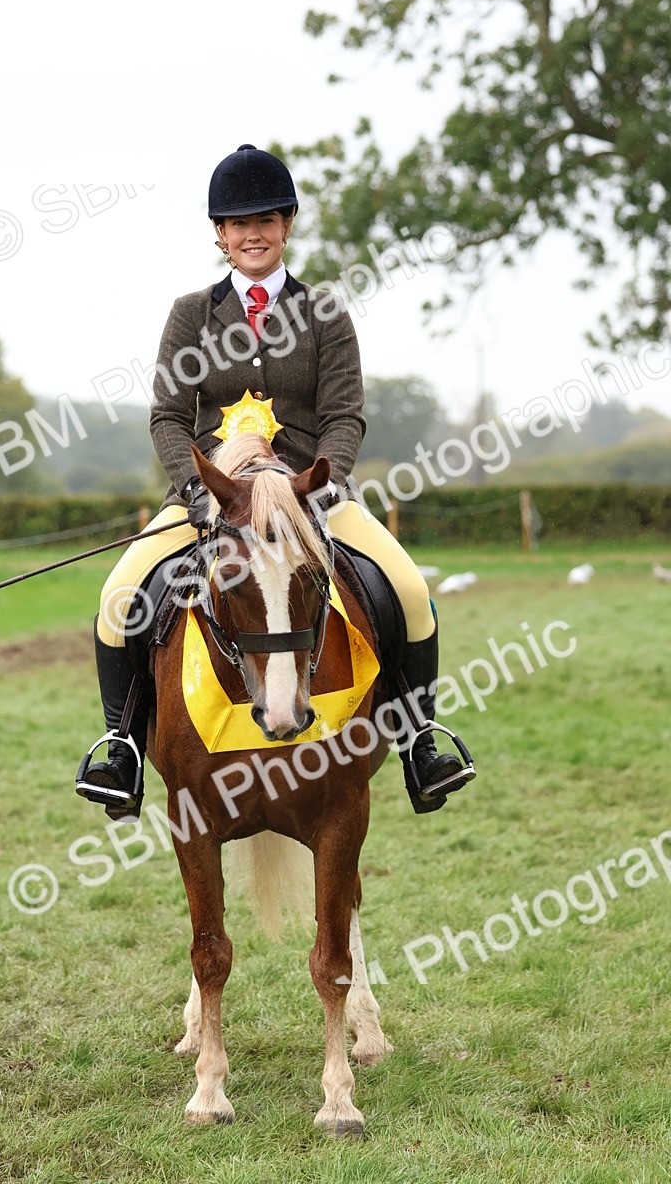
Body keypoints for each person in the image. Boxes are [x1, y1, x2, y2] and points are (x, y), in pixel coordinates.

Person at [77, 144, 475, 817]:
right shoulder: (190, 315)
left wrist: (320, 484)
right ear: (220, 235)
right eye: (236, 223)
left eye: (264, 219)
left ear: (287, 224)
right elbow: (170, 418)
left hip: (307, 495)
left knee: (408, 588)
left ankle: (419, 744)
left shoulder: (324, 313)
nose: (251, 233)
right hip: (216, 500)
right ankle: (120, 748)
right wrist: (200, 491)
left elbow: (345, 416)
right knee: (120, 599)